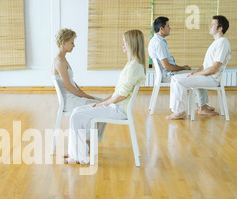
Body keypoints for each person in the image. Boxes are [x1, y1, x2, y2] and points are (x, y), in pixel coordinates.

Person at [64, 30, 146, 165]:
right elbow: (118, 92)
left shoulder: (134, 67)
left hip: (118, 109)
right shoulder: (132, 65)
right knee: (77, 111)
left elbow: (121, 95)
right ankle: (77, 152)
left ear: (131, 43)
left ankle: (78, 156)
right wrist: (103, 102)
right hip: (116, 107)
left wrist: (104, 104)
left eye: (124, 42)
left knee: (77, 116)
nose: (122, 44)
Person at [166, 15, 231, 120]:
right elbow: (206, 65)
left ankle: (179, 112)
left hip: (212, 79)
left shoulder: (222, 43)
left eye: (213, 24)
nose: (210, 26)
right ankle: (198, 107)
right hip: (208, 77)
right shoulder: (217, 42)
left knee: (177, 80)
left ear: (220, 28)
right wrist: (195, 72)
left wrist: (196, 74)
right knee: (175, 79)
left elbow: (214, 68)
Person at [52, 28, 101, 112]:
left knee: (104, 103)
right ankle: (91, 125)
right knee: (102, 106)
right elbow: (68, 86)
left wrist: (84, 94)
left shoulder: (62, 59)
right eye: (71, 42)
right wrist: (85, 96)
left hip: (73, 97)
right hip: (70, 101)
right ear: (63, 43)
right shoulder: (60, 61)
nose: (74, 45)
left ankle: (92, 125)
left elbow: (71, 82)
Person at [148, 16, 192, 83]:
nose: (170, 28)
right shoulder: (159, 43)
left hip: (168, 73)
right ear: (161, 29)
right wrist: (182, 68)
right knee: (197, 75)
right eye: (168, 26)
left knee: (196, 73)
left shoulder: (156, 40)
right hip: (168, 75)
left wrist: (182, 67)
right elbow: (167, 67)